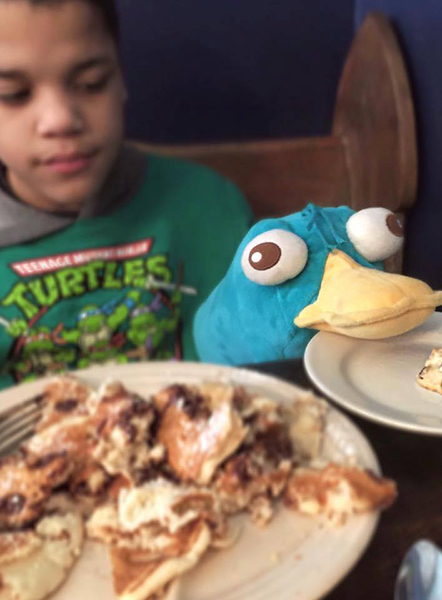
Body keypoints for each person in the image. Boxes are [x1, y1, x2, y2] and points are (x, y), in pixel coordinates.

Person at [0, 0, 253, 387]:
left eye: (91, 84)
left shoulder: (209, 210)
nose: (60, 120)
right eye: (14, 94)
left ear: (121, 78)